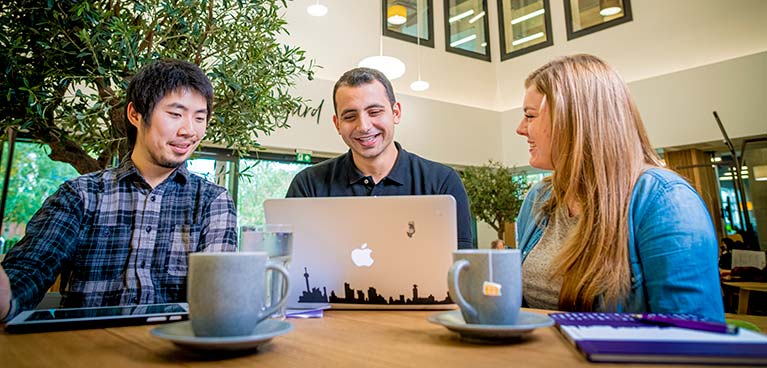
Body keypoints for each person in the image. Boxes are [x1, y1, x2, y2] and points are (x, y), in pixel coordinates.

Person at [0, 59, 238, 322]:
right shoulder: (81, 195)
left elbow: (218, 301)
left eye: (199, 118)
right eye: (175, 114)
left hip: (177, 353)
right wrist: (7, 297)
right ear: (135, 114)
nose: (189, 130)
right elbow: (31, 269)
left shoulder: (213, 202)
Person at [514, 54, 724, 321]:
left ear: (573, 119)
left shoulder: (665, 200)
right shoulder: (538, 198)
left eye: (530, 116)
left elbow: (696, 336)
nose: (520, 129)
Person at [286, 67, 473, 249]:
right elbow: (290, 267)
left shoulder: (442, 183)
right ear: (337, 124)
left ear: (396, 113)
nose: (364, 126)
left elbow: (460, 270)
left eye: (374, 112)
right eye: (350, 116)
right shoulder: (308, 186)